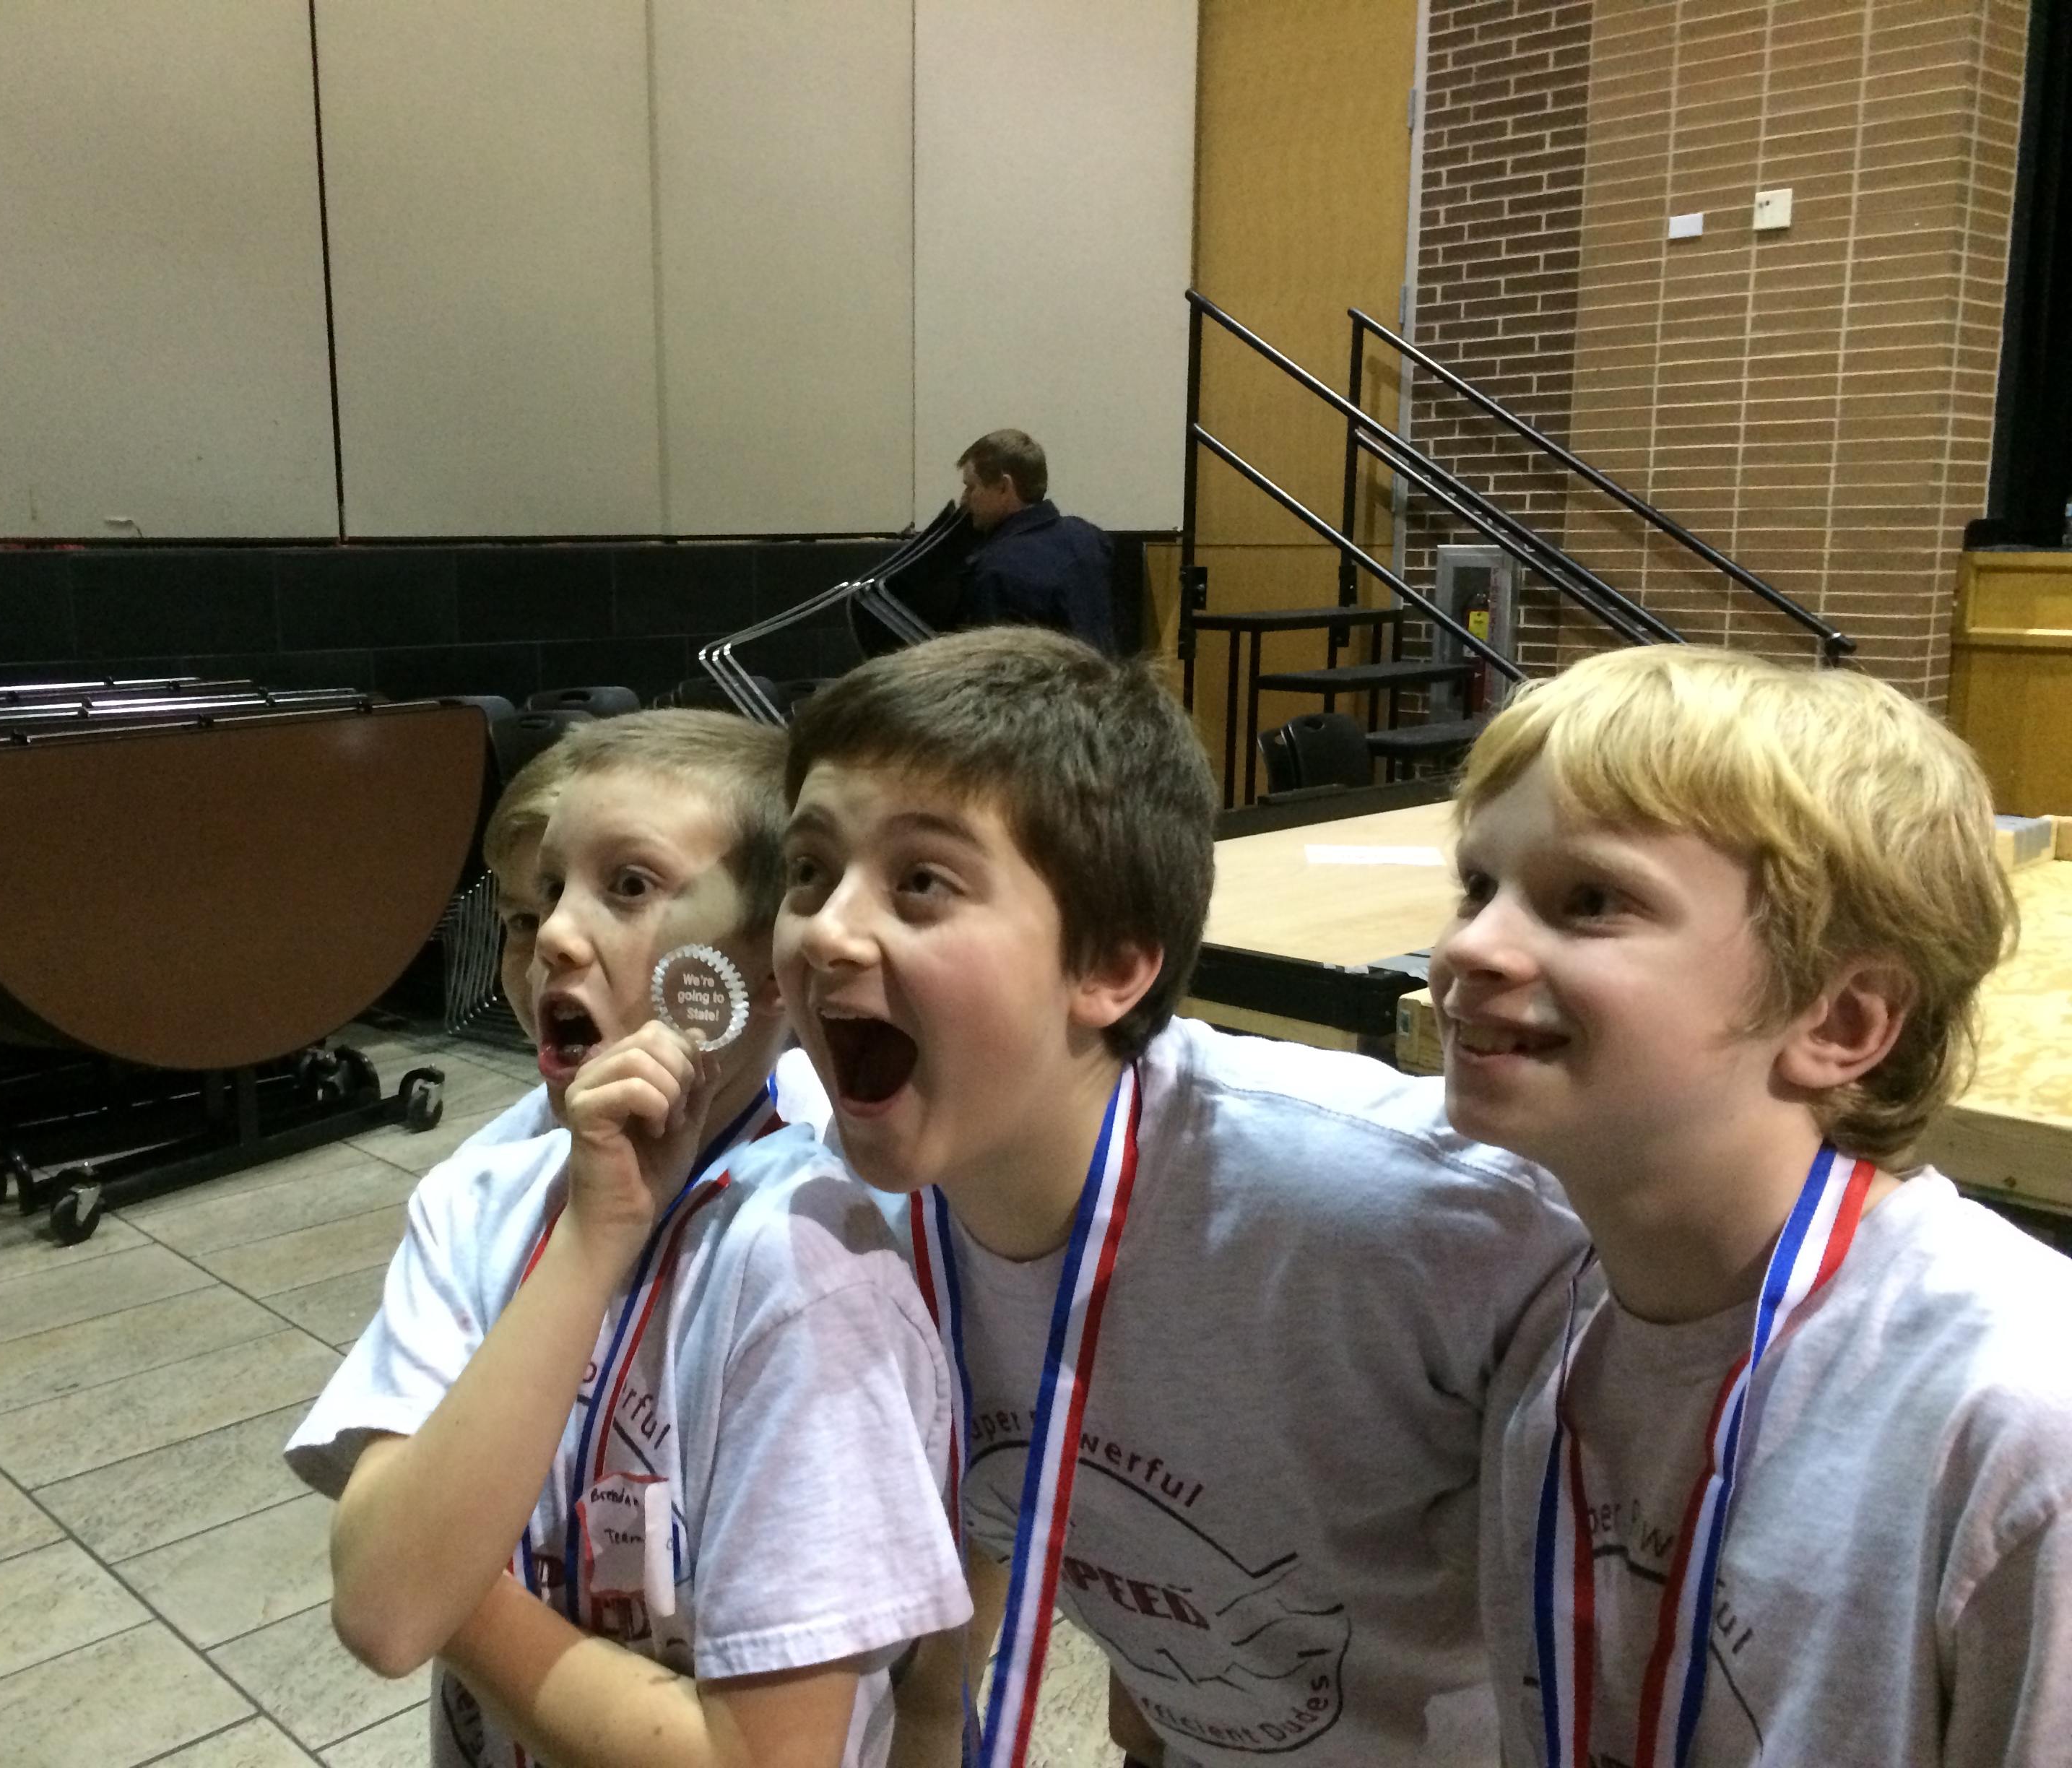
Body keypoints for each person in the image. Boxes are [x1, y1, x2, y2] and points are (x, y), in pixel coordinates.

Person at [771, 628, 1587, 1767]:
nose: (825, 928)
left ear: (1113, 968)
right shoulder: (847, 1206)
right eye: (810, 869)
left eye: (921, 882)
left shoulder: (1393, 1205)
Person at [287, 709, 969, 1768]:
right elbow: (379, 1613)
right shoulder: (476, 1201)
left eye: (630, 886)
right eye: (546, 894)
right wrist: (594, 1237)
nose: (555, 937)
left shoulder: (807, 1269)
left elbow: (762, 1757)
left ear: (766, 965)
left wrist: (449, 1574)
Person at [1429, 646, 2072, 1766]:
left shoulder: (2016, 1426)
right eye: (1481, 887)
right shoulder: (1549, 1340)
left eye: (1591, 901)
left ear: (1838, 1021)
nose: (1469, 946)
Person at [461, 734, 830, 1153]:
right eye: (526, 920)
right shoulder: (479, 1173)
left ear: (776, 962)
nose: (549, 937)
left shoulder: (828, 1163)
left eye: (631, 886)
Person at [954, 430, 1116, 654]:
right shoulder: (1089, 537)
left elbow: (992, 669)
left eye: (971, 487)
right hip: (1103, 674)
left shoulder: (996, 571)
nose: (964, 500)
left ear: (1003, 487)